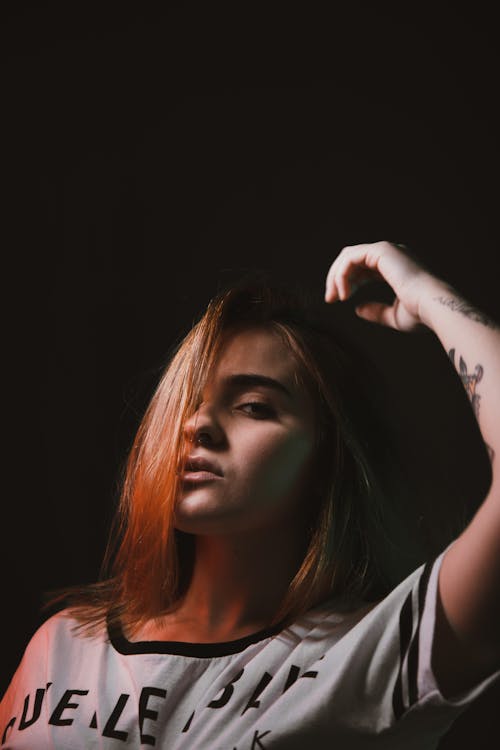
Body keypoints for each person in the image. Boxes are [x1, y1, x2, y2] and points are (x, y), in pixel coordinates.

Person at [1, 241, 499, 749]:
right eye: (185, 402)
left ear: (329, 458)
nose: (197, 425)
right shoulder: (62, 645)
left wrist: (428, 297)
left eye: (255, 406)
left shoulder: (370, 651)